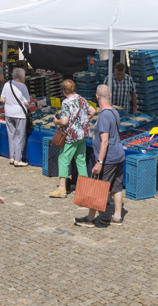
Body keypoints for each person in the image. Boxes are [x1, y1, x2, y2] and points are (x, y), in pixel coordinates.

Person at [74, 84, 125, 227]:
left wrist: (99, 162)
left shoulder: (103, 116)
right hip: (119, 155)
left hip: (108, 158)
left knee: (98, 187)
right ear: (110, 96)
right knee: (116, 186)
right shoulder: (114, 112)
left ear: (96, 97)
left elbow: (105, 141)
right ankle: (117, 216)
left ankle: (90, 219)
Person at [50, 79, 95, 198]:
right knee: (81, 160)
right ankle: (83, 189)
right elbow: (93, 111)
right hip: (83, 134)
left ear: (64, 90)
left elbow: (64, 121)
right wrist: (84, 120)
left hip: (72, 135)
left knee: (63, 159)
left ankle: (62, 188)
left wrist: (56, 121)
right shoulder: (81, 99)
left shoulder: (66, 102)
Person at [1, 68, 31, 167]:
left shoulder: (7, 84)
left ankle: (12, 157)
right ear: (21, 77)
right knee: (20, 136)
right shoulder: (23, 86)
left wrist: (10, 102)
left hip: (8, 112)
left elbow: (2, 99)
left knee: (11, 135)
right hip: (19, 114)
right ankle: (18, 160)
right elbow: (27, 102)